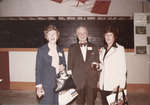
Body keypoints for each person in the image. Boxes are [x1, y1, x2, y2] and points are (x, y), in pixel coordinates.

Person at [68, 26, 99, 105]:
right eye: (79, 33)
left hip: (91, 81)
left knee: (91, 102)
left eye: (84, 33)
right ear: (77, 35)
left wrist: (98, 80)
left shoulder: (94, 47)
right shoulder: (72, 48)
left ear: (87, 34)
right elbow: (70, 66)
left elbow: (97, 64)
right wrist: (70, 82)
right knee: (79, 102)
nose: (82, 35)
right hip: (77, 81)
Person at [35, 25, 66, 105]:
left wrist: (63, 67)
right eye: (50, 34)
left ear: (57, 36)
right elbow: (38, 69)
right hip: (46, 85)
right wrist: (39, 87)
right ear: (46, 37)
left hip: (58, 84)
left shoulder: (60, 49)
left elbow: (64, 65)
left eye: (54, 34)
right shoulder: (42, 50)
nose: (52, 36)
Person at [98, 26, 127, 105]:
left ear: (114, 36)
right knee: (104, 103)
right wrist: (98, 66)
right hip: (103, 84)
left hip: (114, 85)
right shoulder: (103, 49)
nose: (108, 37)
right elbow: (103, 66)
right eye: (106, 35)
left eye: (110, 35)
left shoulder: (120, 49)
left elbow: (123, 69)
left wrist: (121, 85)